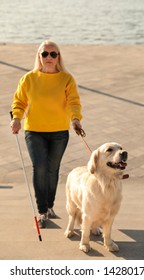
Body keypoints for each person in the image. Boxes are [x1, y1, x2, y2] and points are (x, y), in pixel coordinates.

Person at [10, 40, 82, 228]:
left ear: (58, 57)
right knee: (39, 167)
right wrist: (16, 118)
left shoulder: (66, 79)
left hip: (59, 132)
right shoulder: (29, 78)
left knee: (53, 169)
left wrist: (75, 119)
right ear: (39, 57)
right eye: (44, 54)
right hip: (34, 131)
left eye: (53, 54)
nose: (48, 57)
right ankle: (42, 211)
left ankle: (50, 206)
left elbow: (73, 101)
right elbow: (19, 101)